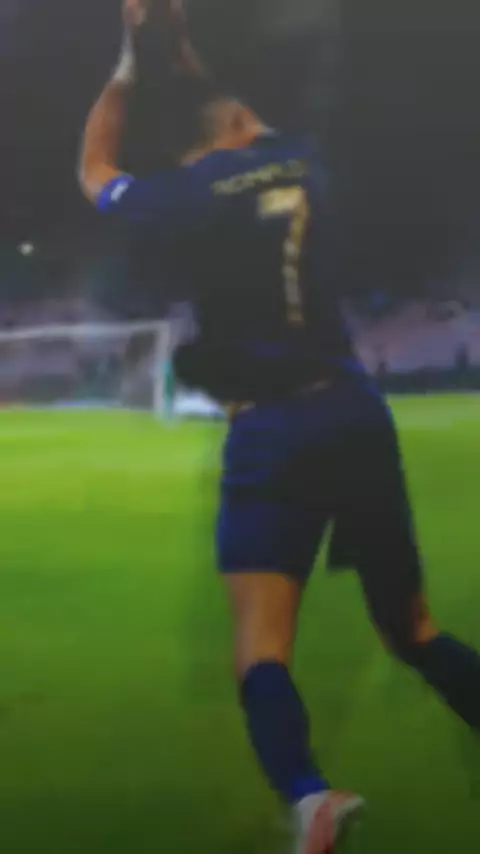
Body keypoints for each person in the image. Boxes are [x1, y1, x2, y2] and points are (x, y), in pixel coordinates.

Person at [79, 2, 480, 851]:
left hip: (272, 434)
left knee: (262, 648)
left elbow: (95, 171)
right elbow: (227, 90)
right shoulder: (301, 159)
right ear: (239, 121)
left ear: (194, 148)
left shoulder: (185, 197)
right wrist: (174, 38)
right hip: (353, 411)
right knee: (413, 630)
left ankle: (309, 797)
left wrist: (127, 63)